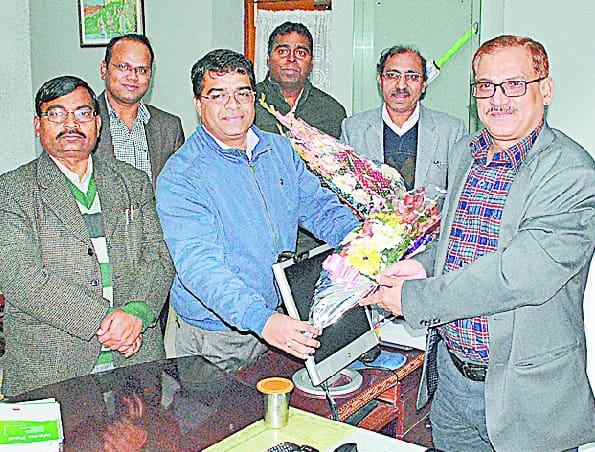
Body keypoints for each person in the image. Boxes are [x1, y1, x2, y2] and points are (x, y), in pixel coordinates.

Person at [362, 36, 595, 452]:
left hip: (528, 402)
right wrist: (422, 266)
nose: (497, 99)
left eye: (514, 84)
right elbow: (458, 241)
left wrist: (413, 299)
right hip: (453, 389)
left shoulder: (572, 172)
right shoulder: (466, 152)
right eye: (485, 86)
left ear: (546, 89)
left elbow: (517, 276)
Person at [156, 49, 358, 372]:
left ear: (253, 96)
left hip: (278, 318)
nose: (233, 105)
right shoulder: (182, 175)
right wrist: (261, 319)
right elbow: (200, 266)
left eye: (242, 93)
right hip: (217, 336)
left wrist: (363, 244)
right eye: (217, 95)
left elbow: (320, 208)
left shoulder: (279, 149)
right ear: (198, 104)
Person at [0, 76, 174, 397]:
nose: (71, 124)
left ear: (97, 123)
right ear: (38, 125)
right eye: (57, 114)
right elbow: (18, 276)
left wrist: (137, 313)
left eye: (82, 113)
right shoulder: (13, 190)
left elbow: (158, 255)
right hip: (51, 366)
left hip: (135, 357)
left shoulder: (132, 181)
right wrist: (106, 322)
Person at [341, 46, 467, 203]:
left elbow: (459, 197)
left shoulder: (451, 131)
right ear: (380, 80)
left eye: (412, 77)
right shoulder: (353, 130)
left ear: (424, 84)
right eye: (392, 75)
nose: (401, 85)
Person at [95, 33, 184, 188]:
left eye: (141, 70)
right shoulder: (84, 122)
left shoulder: (169, 127)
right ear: (104, 69)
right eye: (123, 67)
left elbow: (179, 188)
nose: (133, 77)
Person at [254, 21, 346, 139]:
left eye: (300, 53)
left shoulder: (331, 111)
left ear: (311, 63)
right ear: (268, 59)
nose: (291, 58)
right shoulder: (249, 103)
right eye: (282, 51)